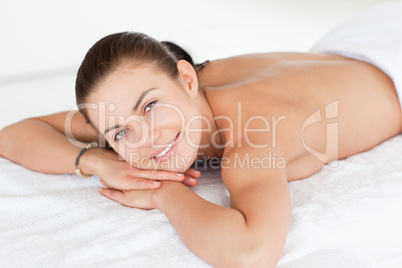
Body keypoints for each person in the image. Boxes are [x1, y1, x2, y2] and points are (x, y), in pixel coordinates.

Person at [1, 2, 401, 267]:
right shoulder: (162, 88)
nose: (147, 139)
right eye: (121, 132)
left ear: (187, 78)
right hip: (353, 42)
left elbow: (252, 252)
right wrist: (94, 160)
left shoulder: (251, 137)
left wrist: (164, 192)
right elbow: (13, 134)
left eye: (150, 106)